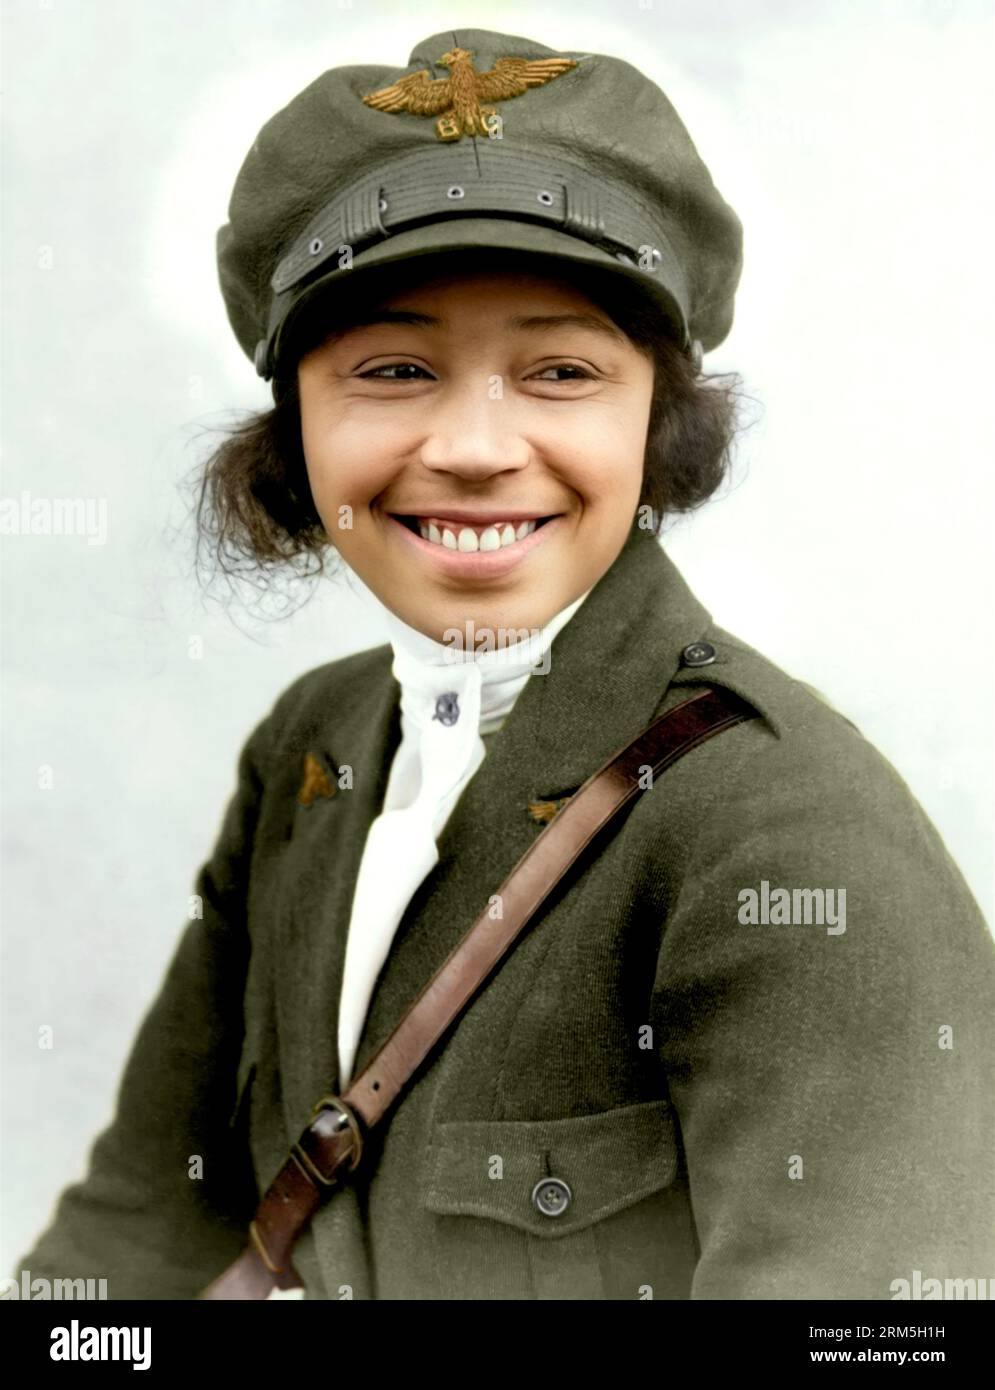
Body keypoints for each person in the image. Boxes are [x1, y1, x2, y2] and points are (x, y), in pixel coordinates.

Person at [15, 26, 993, 1302]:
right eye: (393, 369)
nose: (475, 445)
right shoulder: (312, 751)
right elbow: (130, 1249)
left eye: (561, 371)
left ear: (656, 420)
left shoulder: (782, 833)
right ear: (295, 426)